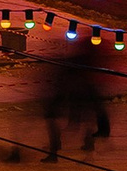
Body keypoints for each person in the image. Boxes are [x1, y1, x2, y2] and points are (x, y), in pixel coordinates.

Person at [43, 31, 114, 163]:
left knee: (82, 121)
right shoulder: (87, 64)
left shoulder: (78, 64)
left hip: (78, 93)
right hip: (80, 93)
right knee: (87, 121)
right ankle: (84, 148)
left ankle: (60, 150)